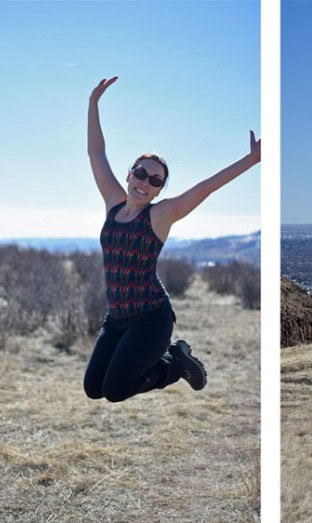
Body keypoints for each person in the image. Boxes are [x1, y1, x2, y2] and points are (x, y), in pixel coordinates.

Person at [83, 76, 260, 402]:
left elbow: (205, 187)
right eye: (141, 173)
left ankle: (175, 364)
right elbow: (96, 152)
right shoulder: (113, 203)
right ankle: (170, 361)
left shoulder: (159, 216)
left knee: (115, 390)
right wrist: (93, 104)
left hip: (151, 317)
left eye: (155, 180)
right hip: (116, 317)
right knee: (94, 389)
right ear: (129, 173)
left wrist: (250, 161)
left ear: (160, 189)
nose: (145, 182)